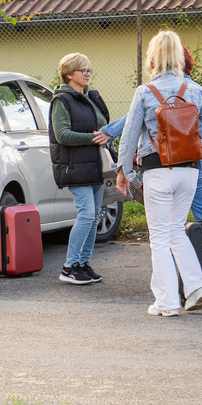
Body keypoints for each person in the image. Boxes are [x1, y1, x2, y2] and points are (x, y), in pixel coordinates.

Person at [115, 30, 202, 317]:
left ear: (152, 60)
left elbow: (130, 135)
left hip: (158, 170)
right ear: (180, 57)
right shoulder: (196, 91)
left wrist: (123, 171)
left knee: (159, 236)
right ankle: (195, 287)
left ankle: (167, 303)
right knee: (176, 231)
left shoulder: (144, 93)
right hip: (190, 171)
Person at [102, 45, 202, 222]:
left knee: (168, 224)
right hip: (194, 159)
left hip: (161, 160)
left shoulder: (148, 90)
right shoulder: (198, 91)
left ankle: (170, 250)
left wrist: (109, 132)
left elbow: (131, 121)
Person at [49, 53, 111, 285]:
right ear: (68, 74)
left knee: (94, 216)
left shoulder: (89, 97)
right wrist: (94, 139)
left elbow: (103, 125)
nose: (87, 74)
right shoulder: (62, 101)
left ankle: (82, 264)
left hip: (95, 164)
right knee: (86, 214)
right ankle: (68, 267)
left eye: (89, 70)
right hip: (76, 166)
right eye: (83, 70)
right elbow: (62, 135)